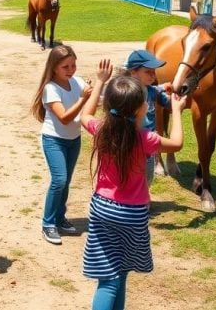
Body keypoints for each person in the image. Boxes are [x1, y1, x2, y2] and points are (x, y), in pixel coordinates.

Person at [79, 61, 185, 310]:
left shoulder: (102, 128)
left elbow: (85, 115)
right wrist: (177, 110)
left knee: (111, 276)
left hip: (102, 208)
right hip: (133, 215)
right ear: (140, 109)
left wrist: (101, 82)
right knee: (117, 278)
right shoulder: (146, 139)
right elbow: (177, 143)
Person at [31, 44, 91, 245]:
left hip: (74, 139)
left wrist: (100, 84)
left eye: (73, 65)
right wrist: (83, 99)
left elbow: (95, 98)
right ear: (54, 67)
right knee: (59, 180)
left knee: (66, 181)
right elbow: (64, 117)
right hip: (54, 139)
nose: (71, 70)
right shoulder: (50, 89)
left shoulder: (77, 81)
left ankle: (59, 217)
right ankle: (48, 223)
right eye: (66, 67)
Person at [123, 49, 172, 182]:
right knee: (129, 177)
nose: (153, 76)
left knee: (147, 178)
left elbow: (170, 105)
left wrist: (177, 96)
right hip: (129, 145)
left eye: (154, 72)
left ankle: (143, 200)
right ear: (133, 72)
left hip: (147, 147)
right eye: (148, 72)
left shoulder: (153, 91)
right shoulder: (124, 93)